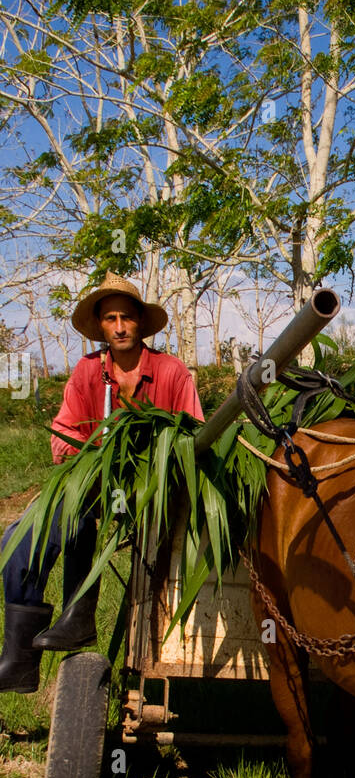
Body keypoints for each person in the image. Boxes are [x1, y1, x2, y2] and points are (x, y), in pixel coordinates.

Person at [0, 272, 203, 693]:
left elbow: (194, 436)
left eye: (127, 317)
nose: (120, 326)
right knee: (19, 542)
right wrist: (92, 459)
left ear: (141, 324)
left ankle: (79, 615)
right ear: (102, 326)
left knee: (80, 507)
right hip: (91, 489)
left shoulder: (171, 372)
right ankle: (21, 659)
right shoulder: (88, 371)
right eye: (110, 319)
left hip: (154, 493)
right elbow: (63, 436)